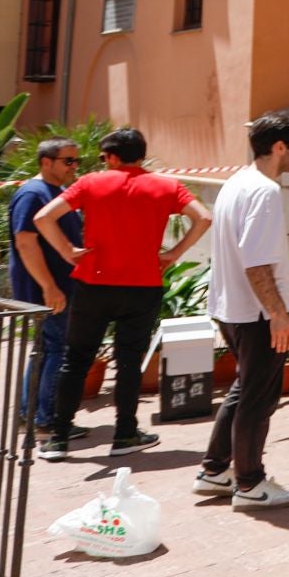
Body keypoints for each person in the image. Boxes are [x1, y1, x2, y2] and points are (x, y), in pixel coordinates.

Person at [34, 127, 211, 460]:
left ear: (111, 157)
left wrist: (67, 251)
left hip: (93, 283)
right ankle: (125, 434)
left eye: (103, 157)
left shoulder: (89, 183)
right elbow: (204, 218)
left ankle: (58, 438)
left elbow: (43, 217)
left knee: (75, 360)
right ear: (141, 155)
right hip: (142, 285)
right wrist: (174, 253)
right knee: (129, 363)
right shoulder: (166, 185)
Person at [194, 112, 289, 510]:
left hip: (232, 308)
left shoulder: (236, 183)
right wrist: (278, 313)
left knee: (244, 391)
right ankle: (249, 483)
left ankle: (214, 470)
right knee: (258, 399)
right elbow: (256, 262)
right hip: (256, 313)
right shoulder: (264, 191)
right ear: (278, 147)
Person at [9, 138, 84, 439]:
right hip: (49, 290)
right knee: (57, 350)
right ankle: (46, 421)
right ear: (46, 162)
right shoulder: (33, 194)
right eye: (68, 161)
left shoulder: (56, 193)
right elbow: (25, 242)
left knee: (45, 350)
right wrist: (49, 287)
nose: (74, 167)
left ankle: (32, 415)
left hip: (58, 287)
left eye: (76, 161)